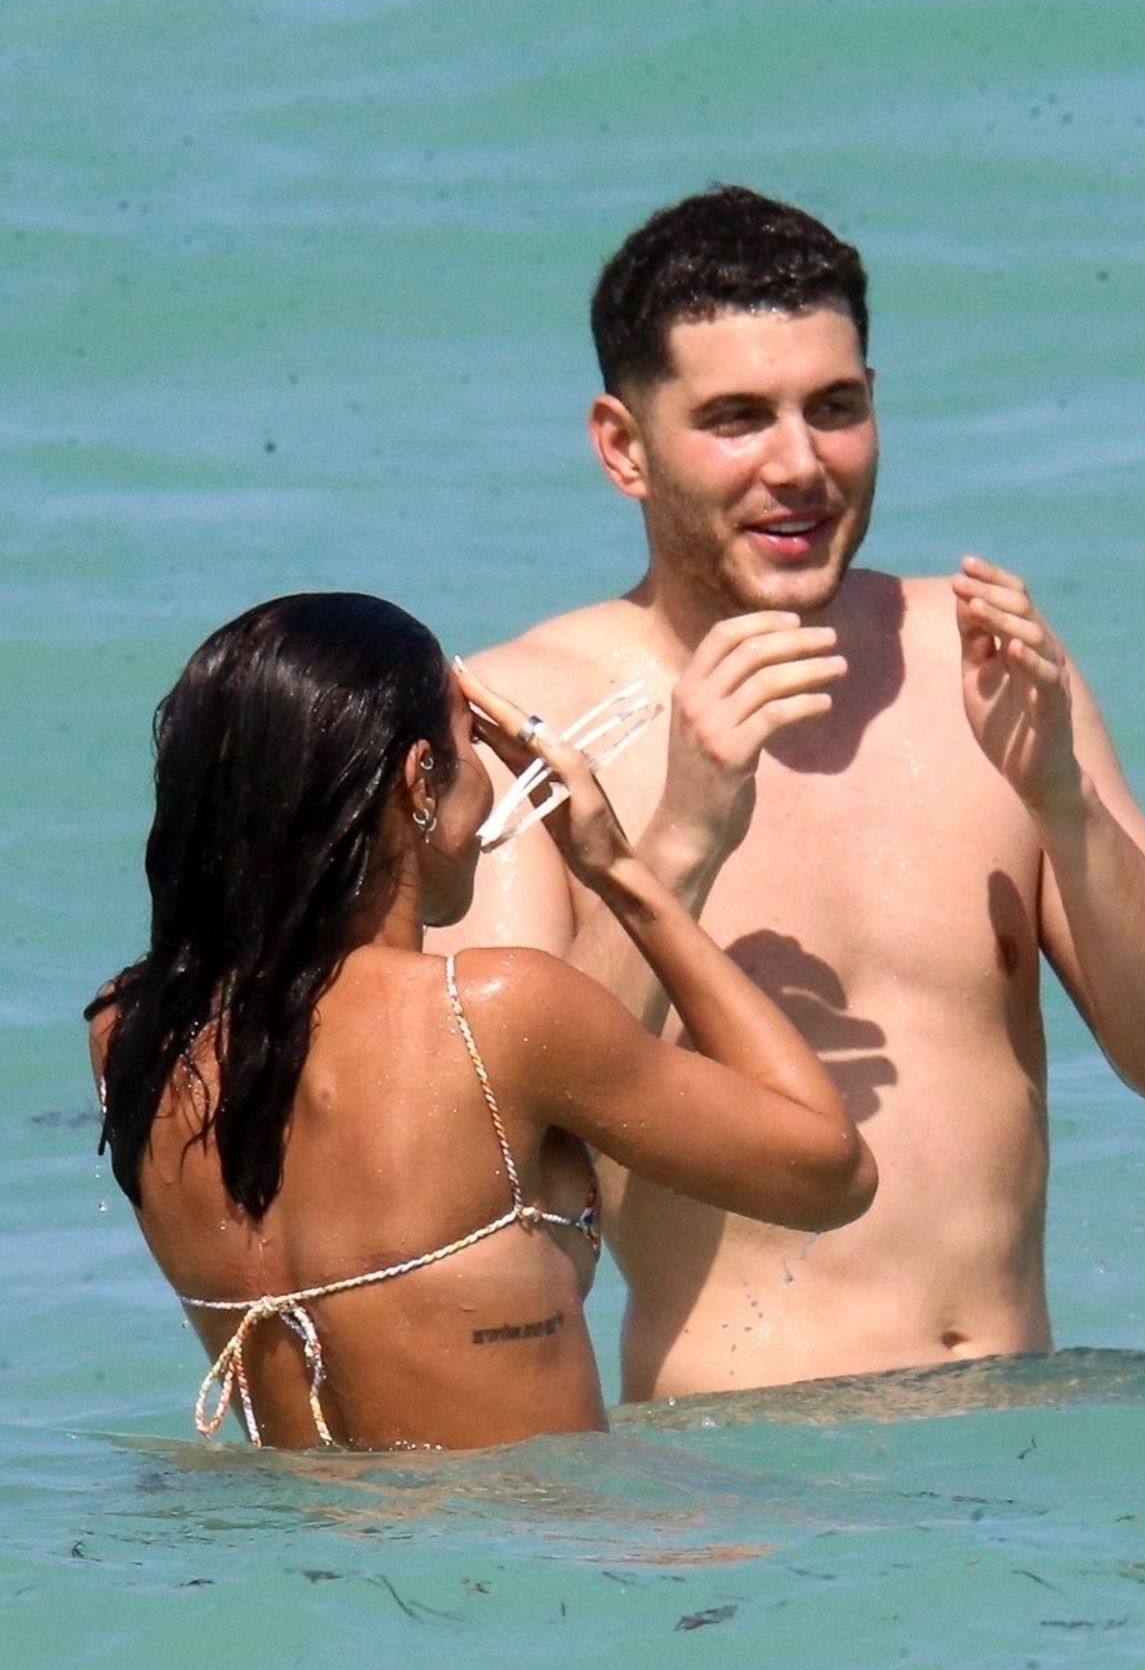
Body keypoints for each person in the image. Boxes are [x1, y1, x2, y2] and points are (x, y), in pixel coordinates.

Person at [430, 184, 1145, 1402]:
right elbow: (474, 1174)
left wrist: (1064, 807)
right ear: (623, 446)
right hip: (748, 1473)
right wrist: (677, 844)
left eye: (834, 408)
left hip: (1012, 1445)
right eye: (735, 419)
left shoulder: (977, 662)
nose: (799, 465)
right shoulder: (520, 722)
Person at [86, 592, 874, 1451]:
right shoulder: (490, 1014)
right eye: (474, 743)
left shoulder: (131, 1036)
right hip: (530, 1529)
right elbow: (830, 1176)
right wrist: (621, 873)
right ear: (421, 781)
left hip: (285, 1530)